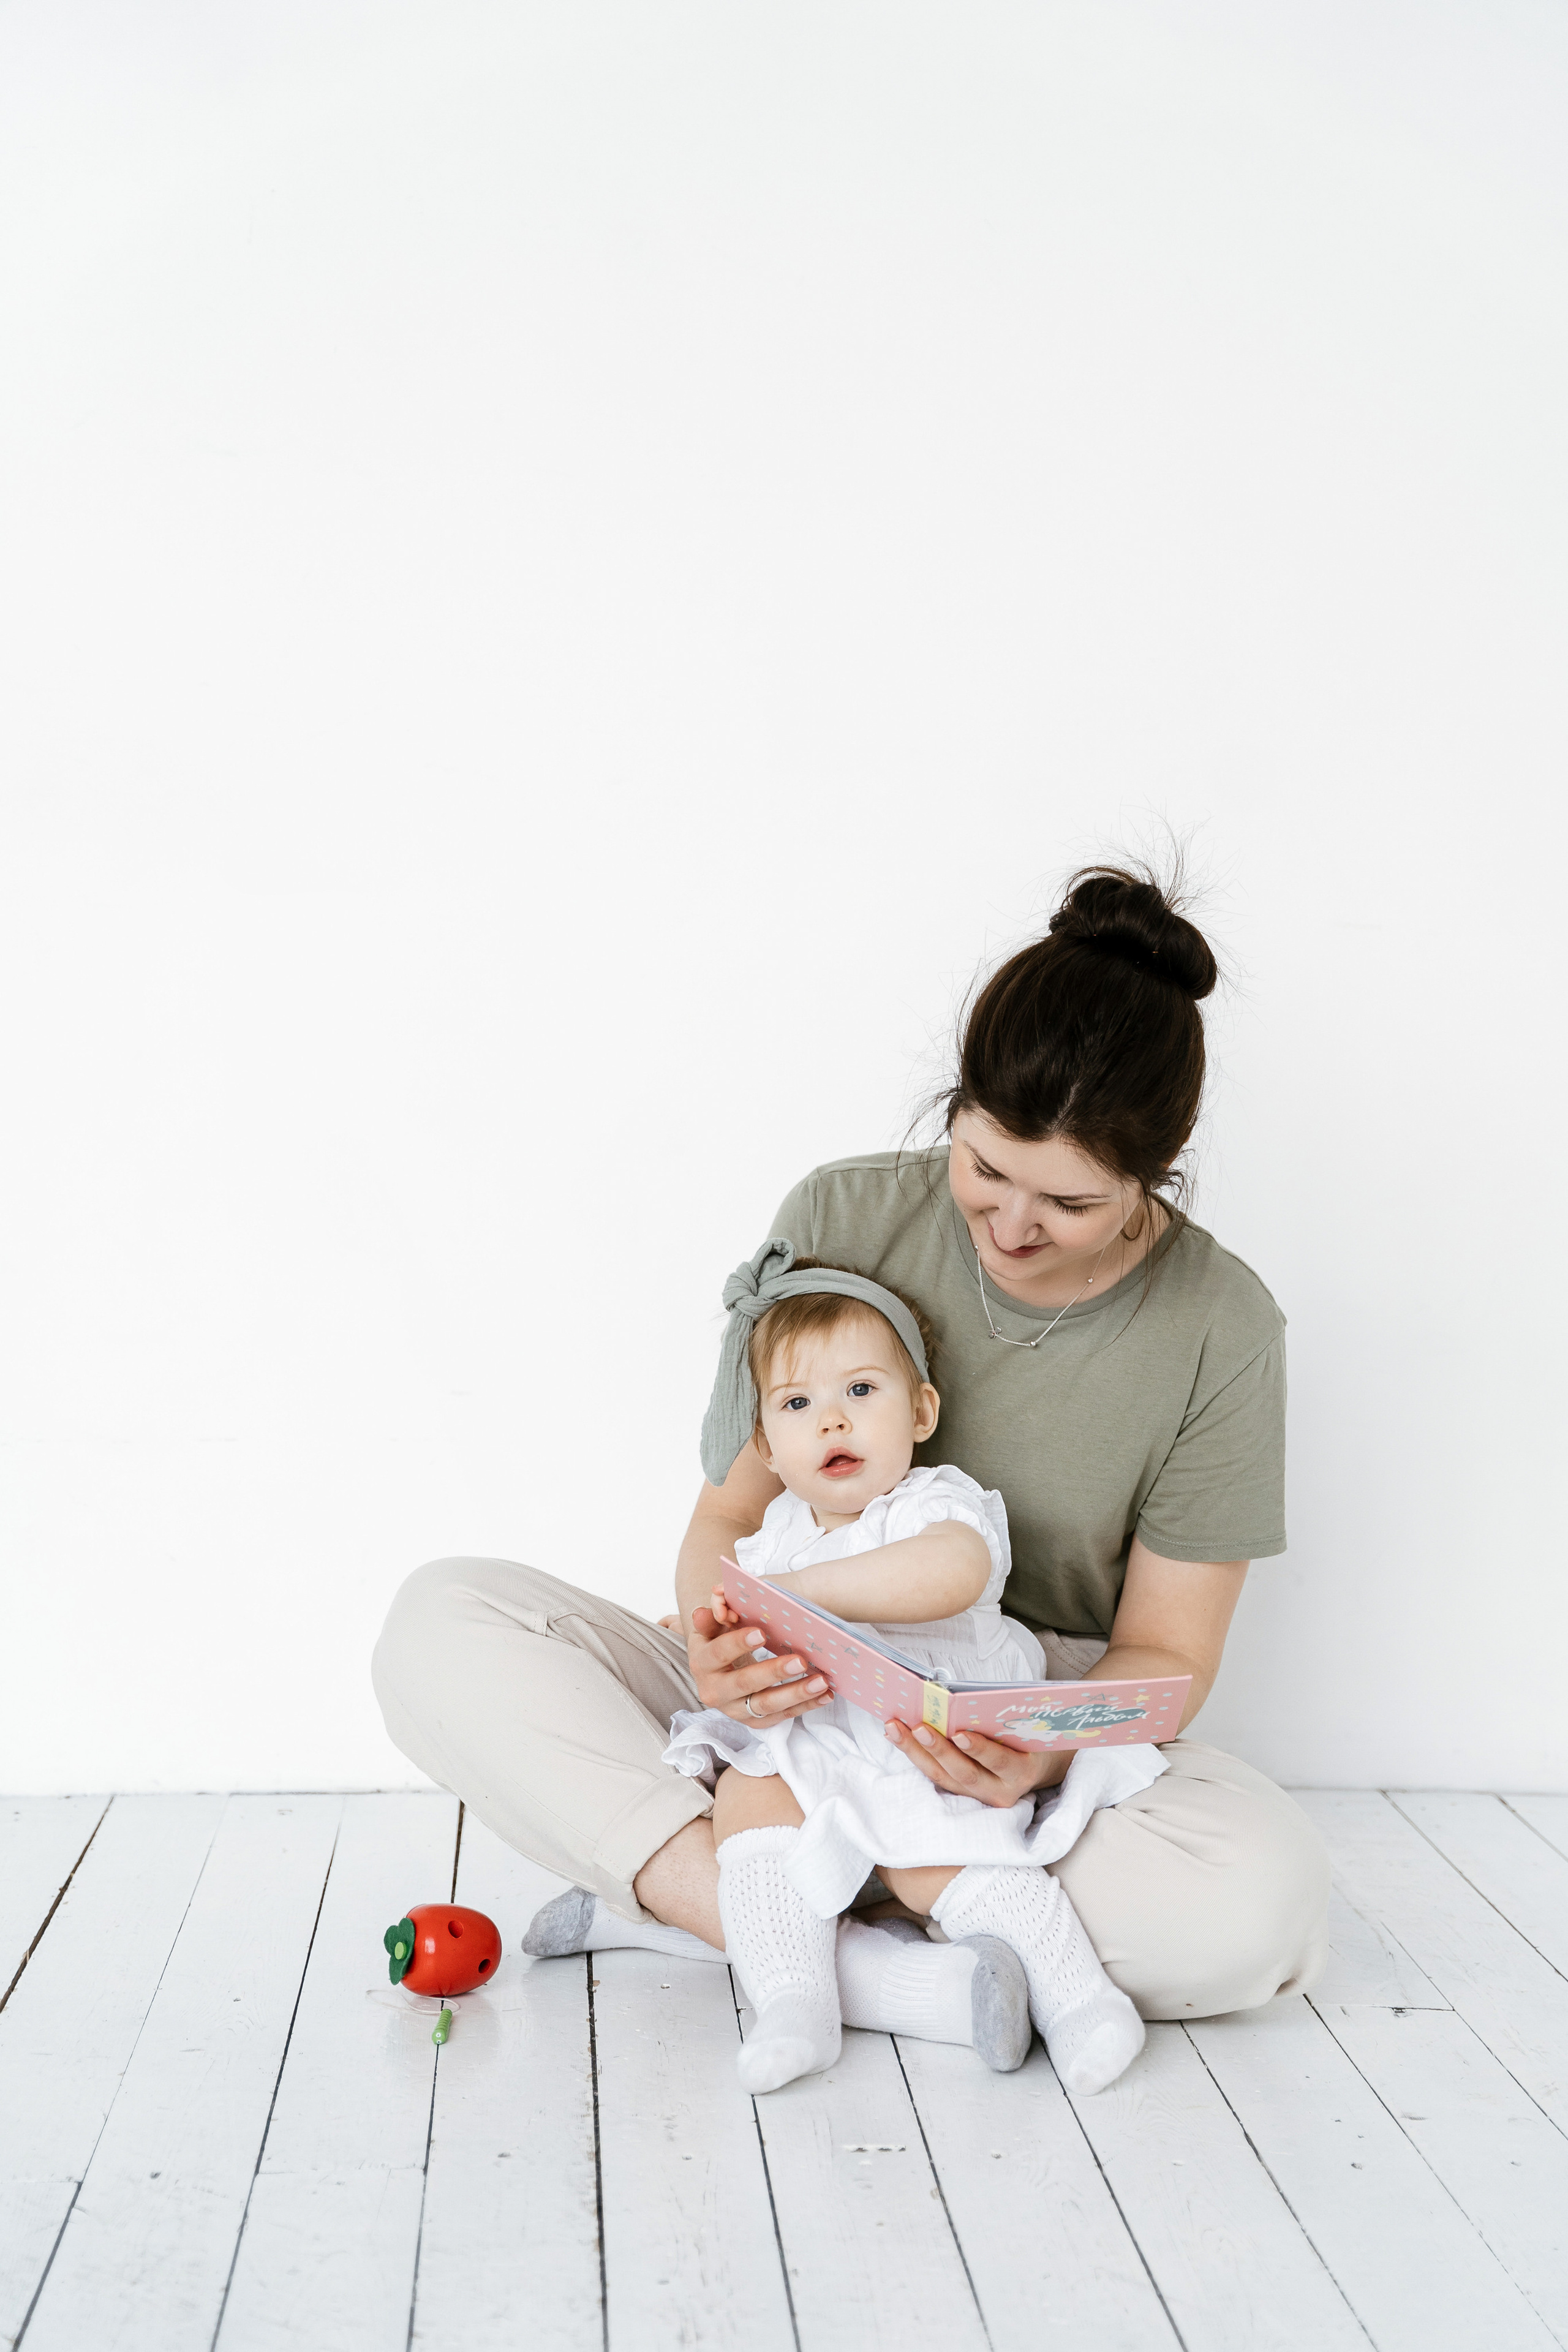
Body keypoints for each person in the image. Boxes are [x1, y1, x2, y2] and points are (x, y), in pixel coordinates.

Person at [372, 864, 1331, 2064]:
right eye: (981, 1169)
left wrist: (1034, 1743)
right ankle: (869, 1964)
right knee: (440, 1627)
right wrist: (716, 1648)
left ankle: (735, 1908)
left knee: (1253, 1914)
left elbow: (1167, 1656)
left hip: (1000, 1741)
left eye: (1069, 1202)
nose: (1010, 1226)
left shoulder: (1218, 1328)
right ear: (956, 1109)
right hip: (787, 1702)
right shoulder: (838, 1221)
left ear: (1152, 1177)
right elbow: (726, 1519)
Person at [662, 1242, 1151, 2096]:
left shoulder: (933, 1503)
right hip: (815, 1735)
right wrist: (722, 1625)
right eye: (798, 1403)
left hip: (927, 1741)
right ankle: (793, 2002)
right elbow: (733, 1622)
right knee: (748, 1797)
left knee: (943, 1856)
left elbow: (949, 1572)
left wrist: (798, 1594)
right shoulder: (774, 1533)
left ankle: (1083, 2003)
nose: (833, 1421)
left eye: (862, 1390)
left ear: (921, 1411)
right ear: (768, 1446)